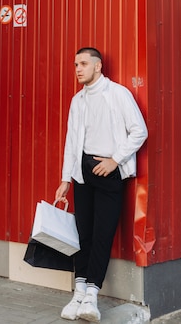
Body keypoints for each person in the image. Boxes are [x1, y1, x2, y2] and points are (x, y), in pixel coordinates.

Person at [55, 47, 148, 322]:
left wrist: (114, 161)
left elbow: (139, 131)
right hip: (82, 173)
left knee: (102, 234)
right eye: (75, 65)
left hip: (109, 174)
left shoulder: (118, 94)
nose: (78, 69)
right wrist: (64, 179)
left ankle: (92, 296)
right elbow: (71, 142)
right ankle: (79, 291)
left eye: (83, 64)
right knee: (83, 234)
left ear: (98, 66)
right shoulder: (77, 100)